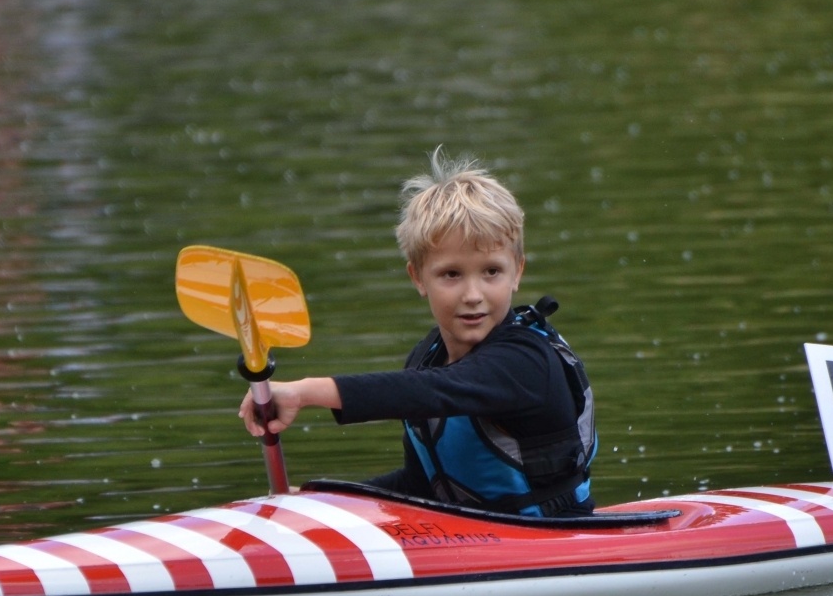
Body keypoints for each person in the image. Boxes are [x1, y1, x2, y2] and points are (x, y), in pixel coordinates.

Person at [239, 149, 597, 517]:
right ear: (417, 278)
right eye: (451, 275)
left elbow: (430, 390)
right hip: (472, 543)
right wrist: (319, 501)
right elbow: (420, 486)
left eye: (491, 271)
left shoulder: (525, 362)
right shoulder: (427, 357)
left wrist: (304, 392)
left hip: (550, 541)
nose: (473, 295)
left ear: (517, 272)